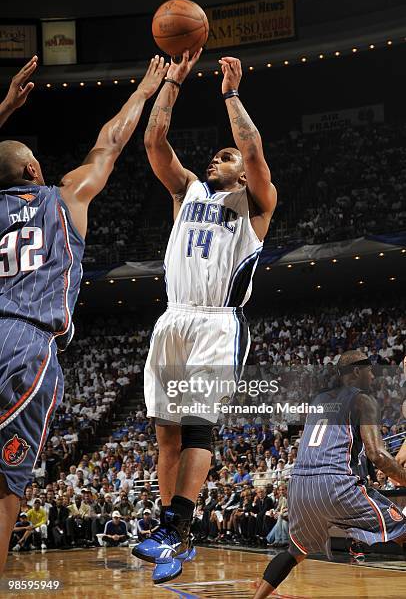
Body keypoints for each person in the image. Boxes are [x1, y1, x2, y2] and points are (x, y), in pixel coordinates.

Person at [0, 53, 168, 576]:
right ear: (33, 170)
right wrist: (142, 91)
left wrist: (2, 109)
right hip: (28, 343)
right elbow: (110, 142)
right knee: (6, 482)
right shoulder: (64, 195)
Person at [134, 50, 277, 584]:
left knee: (197, 426)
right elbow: (154, 143)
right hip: (173, 319)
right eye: (216, 156)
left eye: (226, 156)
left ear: (241, 172)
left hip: (219, 321)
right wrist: (171, 84)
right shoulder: (187, 190)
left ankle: (178, 524)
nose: (218, 159)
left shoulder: (255, 204)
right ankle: (171, 528)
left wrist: (230, 94)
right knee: (165, 435)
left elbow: (255, 151)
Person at [253, 350, 406, 598]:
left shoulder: (319, 401)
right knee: (403, 531)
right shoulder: (363, 400)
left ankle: (257, 597)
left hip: (300, 485)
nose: (373, 376)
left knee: (295, 552)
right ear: (356, 372)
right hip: (335, 483)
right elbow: (377, 455)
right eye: (369, 370)